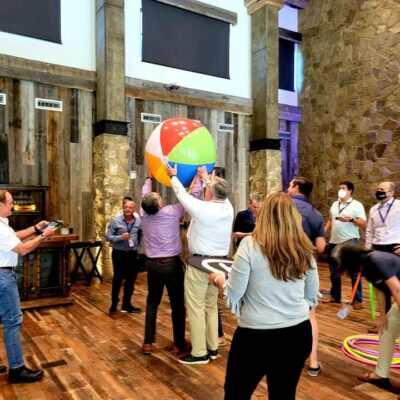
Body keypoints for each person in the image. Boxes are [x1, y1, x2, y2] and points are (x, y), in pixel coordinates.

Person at [211, 192, 319, 400]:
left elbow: (234, 293)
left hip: (255, 337)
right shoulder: (305, 249)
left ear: (264, 215)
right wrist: (288, 308)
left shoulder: (249, 246)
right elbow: (312, 296)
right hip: (296, 334)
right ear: (294, 217)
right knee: (283, 395)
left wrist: (218, 280)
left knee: (236, 394)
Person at [165, 164, 234, 365]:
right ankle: (212, 348)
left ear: (210, 192)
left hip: (199, 264)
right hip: (219, 264)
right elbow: (217, 192)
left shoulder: (202, 209)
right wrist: (205, 178)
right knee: (211, 306)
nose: (206, 188)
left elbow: (182, 195)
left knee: (195, 308)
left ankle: (199, 353)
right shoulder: (228, 207)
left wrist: (173, 176)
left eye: (207, 187)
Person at [140, 171, 202, 355]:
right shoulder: (171, 212)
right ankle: (179, 344)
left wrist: (148, 178)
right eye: (159, 197)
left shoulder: (143, 214)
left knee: (152, 302)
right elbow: (191, 198)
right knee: (177, 304)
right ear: (159, 205)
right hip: (170, 265)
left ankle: (147, 343)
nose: (160, 198)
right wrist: (197, 180)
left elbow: (145, 195)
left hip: (151, 264)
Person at [0, 189, 57, 383]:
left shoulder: (2, 225)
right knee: (13, 321)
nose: (13, 205)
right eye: (10, 202)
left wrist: (36, 229)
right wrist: (45, 236)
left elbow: (14, 237)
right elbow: (22, 249)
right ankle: (16, 369)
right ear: (0, 206)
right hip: (3, 277)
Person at [334, 244, 400, 394]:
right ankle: (381, 375)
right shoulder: (368, 267)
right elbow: (380, 290)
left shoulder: (376, 259)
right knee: (386, 332)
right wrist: (383, 315)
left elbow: (397, 289)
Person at [288, 176, 325, 377]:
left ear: (296, 187)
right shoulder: (317, 215)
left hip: (279, 265)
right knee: (310, 312)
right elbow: (320, 247)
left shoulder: (282, 207)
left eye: (290, 184)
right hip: (306, 266)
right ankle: (313, 362)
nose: (287, 187)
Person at [322, 181, 367, 308]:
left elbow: (363, 223)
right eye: (339, 188)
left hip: (350, 242)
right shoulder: (335, 204)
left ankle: (357, 300)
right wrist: (323, 232)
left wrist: (351, 219)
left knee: (353, 272)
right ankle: (335, 296)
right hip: (334, 241)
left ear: (350, 191)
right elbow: (331, 220)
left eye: (343, 188)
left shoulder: (357, 205)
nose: (340, 190)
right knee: (333, 271)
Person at [365, 181, 400, 315]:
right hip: (377, 249)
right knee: (380, 286)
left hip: (394, 248)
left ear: (391, 192)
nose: (379, 191)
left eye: (382, 189)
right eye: (378, 188)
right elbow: (369, 231)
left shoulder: (398, 206)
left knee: (396, 285)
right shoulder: (374, 209)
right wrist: (368, 249)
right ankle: (384, 319)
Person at [105, 198, 141, 314]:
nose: (128, 209)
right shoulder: (115, 221)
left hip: (132, 254)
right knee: (118, 279)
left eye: (130, 207)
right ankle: (114, 303)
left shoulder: (138, 222)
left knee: (131, 280)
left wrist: (138, 247)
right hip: (119, 254)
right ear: (123, 208)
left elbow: (141, 234)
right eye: (126, 207)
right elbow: (108, 237)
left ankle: (126, 304)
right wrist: (120, 238)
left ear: (134, 209)